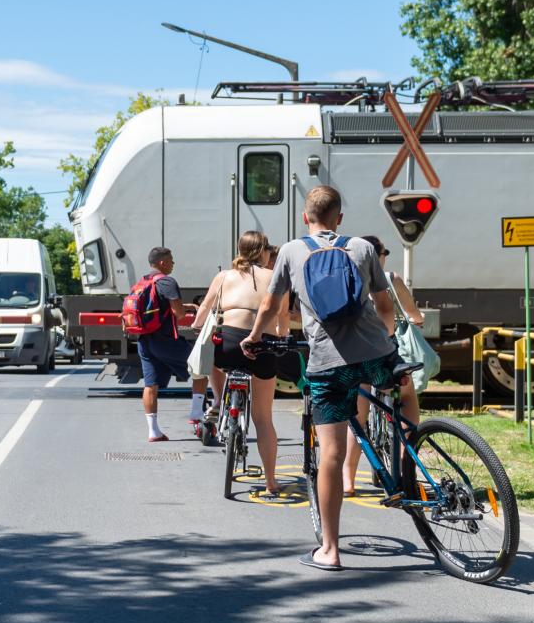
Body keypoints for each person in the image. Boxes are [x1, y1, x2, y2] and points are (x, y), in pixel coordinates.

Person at [245, 186, 398, 571]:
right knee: (400, 388)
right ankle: (412, 445)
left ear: (304, 217)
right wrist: (387, 340)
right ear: (340, 218)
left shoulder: (293, 251)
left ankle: (330, 550)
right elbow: (383, 304)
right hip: (377, 354)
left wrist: (254, 337)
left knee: (330, 453)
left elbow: (270, 304)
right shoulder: (362, 247)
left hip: (328, 362)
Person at [195, 230, 288, 494]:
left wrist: (195, 325)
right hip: (262, 345)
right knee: (263, 418)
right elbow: (282, 318)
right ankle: (270, 481)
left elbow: (204, 309)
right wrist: (282, 337)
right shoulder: (275, 277)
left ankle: (217, 400)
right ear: (264, 252)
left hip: (228, 343)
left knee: (214, 358)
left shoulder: (224, 276)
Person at [342, 236, 425, 496]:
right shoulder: (390, 279)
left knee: (357, 415)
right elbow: (412, 315)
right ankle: (406, 467)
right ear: (379, 256)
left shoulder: (346, 280)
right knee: (408, 398)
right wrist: (415, 321)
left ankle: (349, 479)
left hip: (355, 355)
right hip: (383, 354)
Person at [135, 247, 208, 442]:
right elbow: (179, 313)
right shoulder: (167, 281)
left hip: (144, 341)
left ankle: (153, 431)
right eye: (171, 260)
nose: (173, 263)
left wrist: (188, 306)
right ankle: (196, 413)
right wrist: (189, 311)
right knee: (201, 367)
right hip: (165, 340)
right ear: (162, 263)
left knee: (151, 385)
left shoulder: (143, 282)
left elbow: (159, 307)